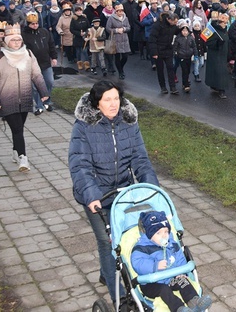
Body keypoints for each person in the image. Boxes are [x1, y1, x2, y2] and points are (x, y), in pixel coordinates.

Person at [68, 80, 159, 306]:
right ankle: (118, 296)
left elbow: (140, 159)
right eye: (107, 99)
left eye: (116, 98)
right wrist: (91, 195)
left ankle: (106, 271)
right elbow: (80, 165)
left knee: (129, 237)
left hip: (123, 192)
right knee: (108, 242)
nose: (113, 104)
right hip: (97, 194)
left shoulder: (129, 123)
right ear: (97, 103)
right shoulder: (84, 127)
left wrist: (152, 189)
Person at [0, 24, 50, 171]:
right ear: (7, 41)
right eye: (13, 40)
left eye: (18, 40)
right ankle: (23, 158)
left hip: (25, 97)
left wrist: (44, 93)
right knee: (17, 129)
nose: (16, 43)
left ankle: (15, 152)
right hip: (7, 98)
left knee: (19, 128)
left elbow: (36, 74)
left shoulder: (28, 54)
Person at [131, 211, 213, 312]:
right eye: (158, 233)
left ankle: (195, 302)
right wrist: (155, 266)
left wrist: (182, 273)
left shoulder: (171, 244)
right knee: (164, 290)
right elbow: (137, 263)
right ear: (148, 233)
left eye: (166, 231)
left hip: (170, 279)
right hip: (151, 284)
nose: (164, 236)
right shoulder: (142, 248)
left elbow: (180, 258)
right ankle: (179, 308)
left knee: (183, 281)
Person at [22, 12, 58, 115]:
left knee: (49, 82)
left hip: (46, 62)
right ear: (28, 24)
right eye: (32, 24)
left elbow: (51, 44)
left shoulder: (44, 32)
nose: (35, 25)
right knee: (35, 86)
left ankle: (46, 101)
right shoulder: (24, 35)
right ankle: (39, 105)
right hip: (32, 65)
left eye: (36, 23)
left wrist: (54, 57)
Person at [149, 12, 180, 94]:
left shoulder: (173, 26)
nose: (175, 24)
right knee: (160, 70)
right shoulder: (158, 25)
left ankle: (173, 87)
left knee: (171, 68)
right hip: (158, 51)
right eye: (174, 22)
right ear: (169, 19)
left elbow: (178, 31)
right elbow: (152, 39)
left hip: (168, 49)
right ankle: (163, 87)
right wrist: (154, 52)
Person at [204, 13, 230, 99]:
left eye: (225, 23)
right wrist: (217, 43)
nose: (224, 25)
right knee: (218, 72)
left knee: (221, 72)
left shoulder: (225, 31)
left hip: (223, 54)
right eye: (223, 23)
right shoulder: (212, 30)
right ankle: (221, 90)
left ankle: (216, 86)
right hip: (214, 54)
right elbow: (207, 42)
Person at [106, 3, 133, 79]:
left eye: (122, 11)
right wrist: (116, 30)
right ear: (116, 11)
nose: (121, 12)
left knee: (125, 56)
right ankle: (120, 72)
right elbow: (108, 28)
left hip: (124, 39)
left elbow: (128, 27)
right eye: (119, 11)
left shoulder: (125, 18)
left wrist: (124, 29)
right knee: (117, 56)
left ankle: (120, 67)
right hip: (116, 39)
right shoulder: (111, 18)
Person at [172, 23, 197, 93]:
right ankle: (186, 85)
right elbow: (175, 47)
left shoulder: (191, 38)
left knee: (188, 70)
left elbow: (194, 47)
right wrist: (175, 53)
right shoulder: (178, 38)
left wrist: (195, 54)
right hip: (181, 56)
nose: (185, 32)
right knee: (184, 70)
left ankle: (184, 82)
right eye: (183, 31)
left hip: (189, 56)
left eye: (186, 31)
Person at [70, 5, 91, 71]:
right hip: (77, 38)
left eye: (80, 11)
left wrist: (86, 32)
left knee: (85, 51)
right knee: (78, 51)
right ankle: (79, 63)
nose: (79, 12)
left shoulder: (85, 18)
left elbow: (88, 26)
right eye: (77, 11)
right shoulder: (73, 19)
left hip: (84, 37)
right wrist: (79, 33)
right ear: (75, 12)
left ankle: (87, 64)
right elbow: (71, 29)